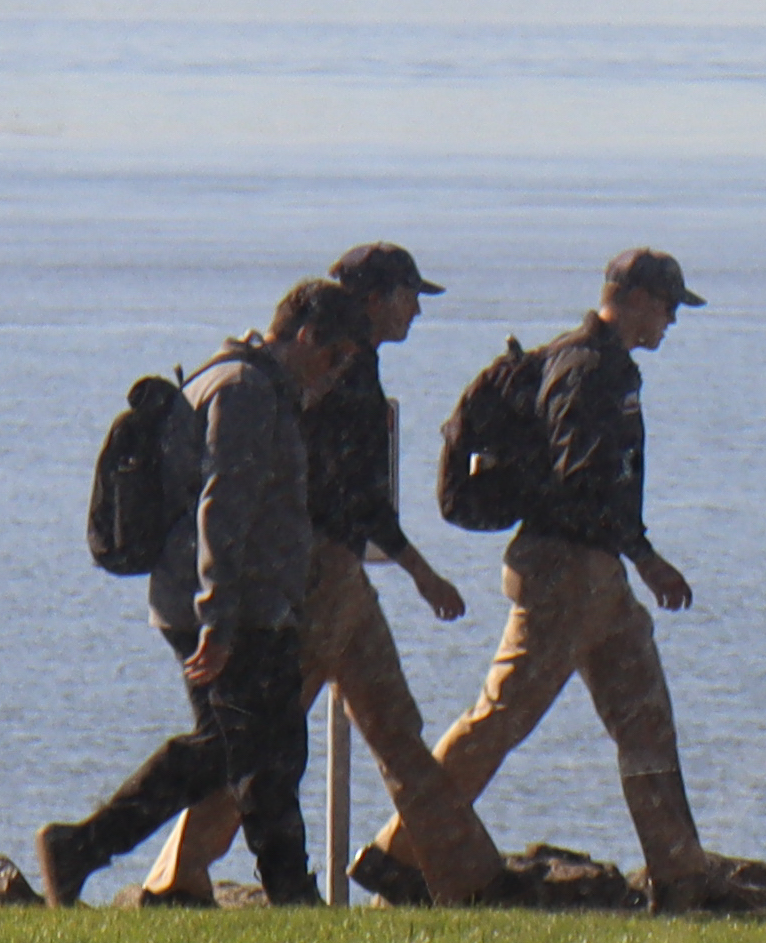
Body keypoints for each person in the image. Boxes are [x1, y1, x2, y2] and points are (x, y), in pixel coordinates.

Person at [140, 239, 505, 906]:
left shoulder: (338, 369)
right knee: (263, 736)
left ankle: (457, 872)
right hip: (315, 575)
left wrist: (416, 571)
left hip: (335, 572)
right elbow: (348, 492)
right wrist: (420, 572)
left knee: (392, 727)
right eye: (408, 297)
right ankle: (174, 874)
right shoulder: (341, 372)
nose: (416, 314)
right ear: (375, 297)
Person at [38, 278, 367, 910]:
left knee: (251, 754)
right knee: (251, 751)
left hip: (237, 603)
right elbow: (223, 506)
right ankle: (86, 845)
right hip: (228, 607)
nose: (337, 371)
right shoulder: (244, 391)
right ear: (306, 338)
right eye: (337, 355)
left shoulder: (247, 383)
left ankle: (285, 892)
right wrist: (217, 619)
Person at [429, 244, 735, 905]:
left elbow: (591, 486)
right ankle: (405, 849)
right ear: (630, 298)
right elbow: (583, 484)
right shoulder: (590, 369)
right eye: (666, 307)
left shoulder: (603, 366)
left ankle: (682, 880)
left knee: (645, 722)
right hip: (566, 573)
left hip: (599, 578)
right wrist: (646, 556)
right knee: (500, 720)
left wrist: (632, 557)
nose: (671, 322)